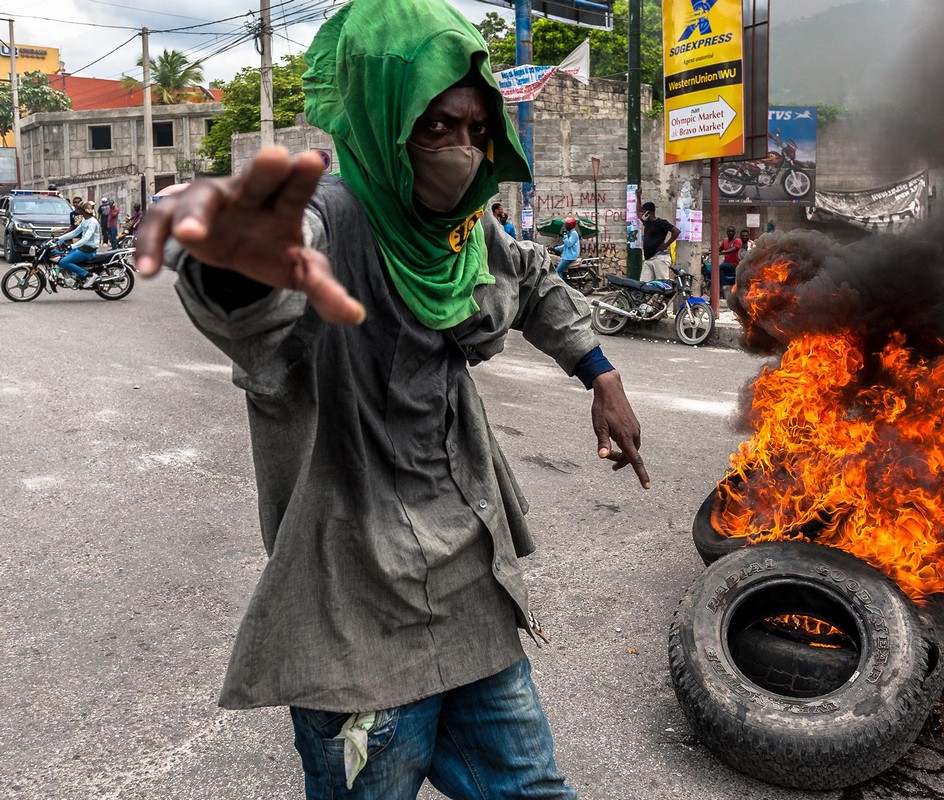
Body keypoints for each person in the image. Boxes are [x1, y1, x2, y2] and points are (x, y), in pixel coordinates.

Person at [133, 1, 648, 797]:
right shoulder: (333, 221)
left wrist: (601, 373)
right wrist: (239, 260)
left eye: (475, 131)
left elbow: (536, 280)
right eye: (436, 127)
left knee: (534, 788)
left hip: (470, 594)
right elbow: (258, 297)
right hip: (358, 617)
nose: (461, 151)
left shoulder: (464, 230)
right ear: (383, 120)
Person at [55, 200, 101, 288]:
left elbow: (86, 238)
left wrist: (71, 246)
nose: (77, 211)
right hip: (82, 248)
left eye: (79, 209)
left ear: (83, 210)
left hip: (88, 250)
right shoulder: (85, 220)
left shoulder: (92, 222)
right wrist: (59, 238)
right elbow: (75, 233)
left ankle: (89, 275)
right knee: (62, 256)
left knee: (63, 262)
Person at [637, 201, 679, 281]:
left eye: (643, 212)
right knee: (643, 284)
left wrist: (666, 244)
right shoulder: (647, 222)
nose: (641, 214)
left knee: (663, 283)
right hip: (649, 259)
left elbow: (676, 231)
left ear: (648, 212)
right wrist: (638, 196)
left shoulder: (661, 223)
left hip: (660, 257)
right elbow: (638, 212)